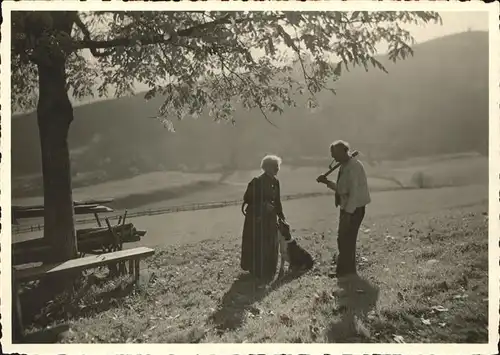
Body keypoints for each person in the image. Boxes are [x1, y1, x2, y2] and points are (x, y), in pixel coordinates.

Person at [317, 140, 371, 277]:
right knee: (343, 239)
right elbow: (342, 189)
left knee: (347, 239)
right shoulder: (344, 165)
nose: (333, 158)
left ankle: (345, 272)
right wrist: (327, 182)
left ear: (343, 151)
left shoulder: (354, 167)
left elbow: (354, 192)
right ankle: (346, 270)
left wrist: (348, 213)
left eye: (334, 154)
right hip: (347, 207)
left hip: (354, 209)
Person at [240, 154, 286, 282]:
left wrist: (281, 216)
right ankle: (256, 270)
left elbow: (277, 201)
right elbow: (248, 198)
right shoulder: (257, 181)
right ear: (267, 167)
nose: (277, 169)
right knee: (257, 243)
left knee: (270, 243)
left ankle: (268, 269)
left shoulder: (276, 182)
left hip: (270, 218)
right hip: (256, 218)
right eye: (275, 166)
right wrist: (263, 205)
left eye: (278, 166)